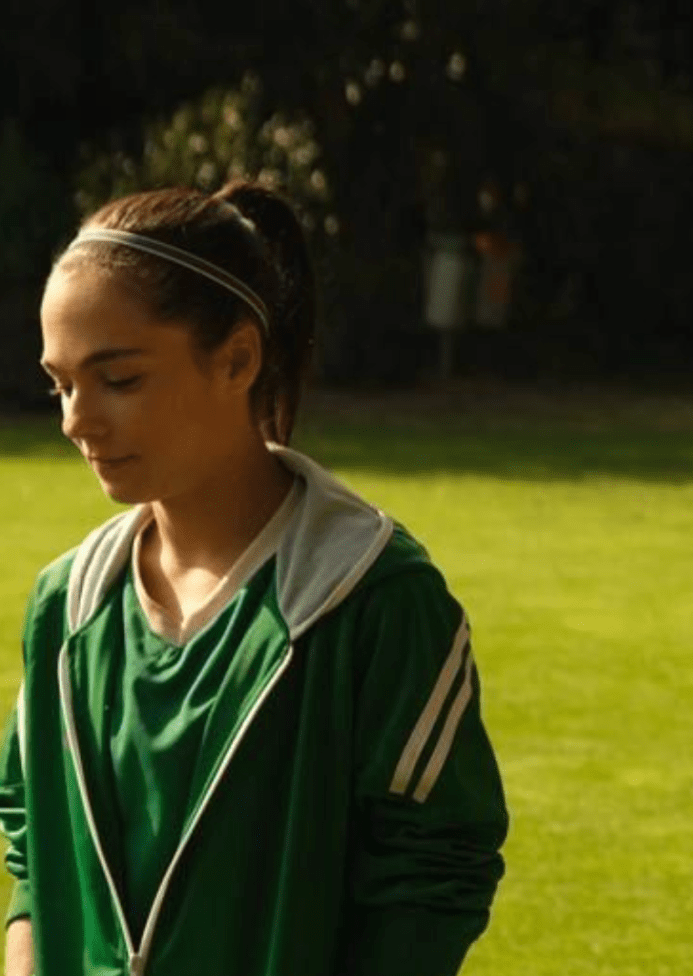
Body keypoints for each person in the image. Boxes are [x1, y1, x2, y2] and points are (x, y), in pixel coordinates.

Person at [0, 182, 508, 976]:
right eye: (60, 383)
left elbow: (432, 874)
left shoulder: (371, 598)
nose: (75, 419)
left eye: (118, 379)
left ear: (238, 358)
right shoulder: (66, 606)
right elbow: (34, 842)